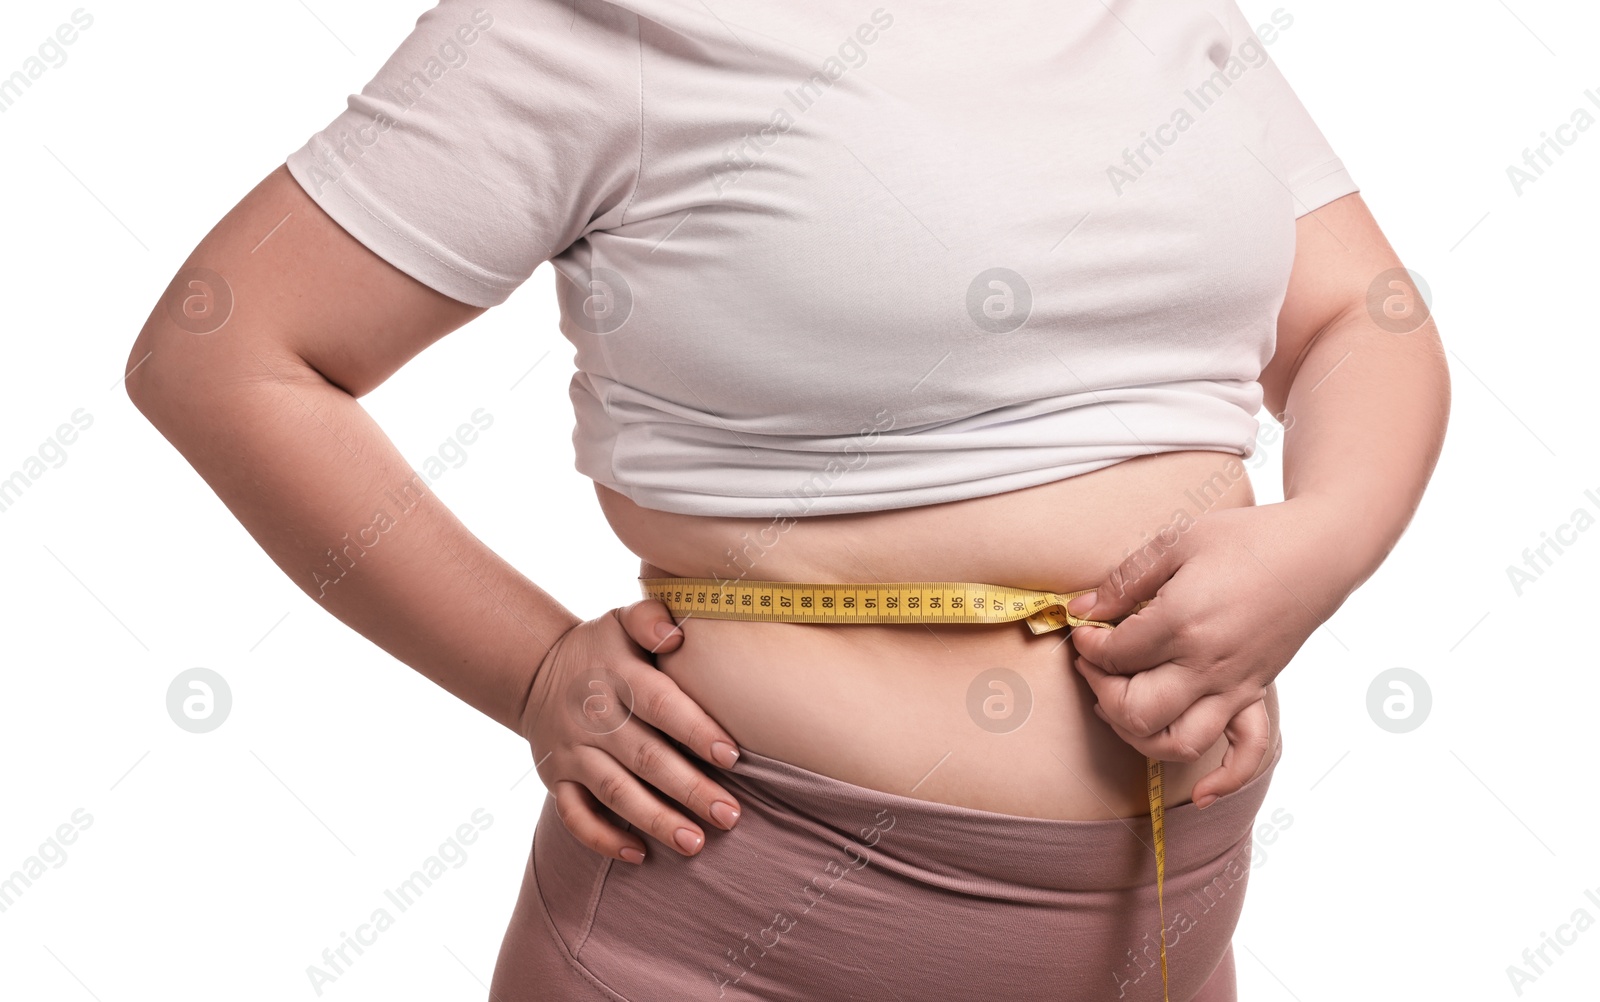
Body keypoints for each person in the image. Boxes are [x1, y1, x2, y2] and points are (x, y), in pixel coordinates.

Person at [125, 0, 1449, 999]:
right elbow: (222, 351)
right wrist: (533, 673)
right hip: (727, 938)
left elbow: (1360, 316)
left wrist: (1316, 545)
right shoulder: (589, 27)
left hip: (1162, 926)